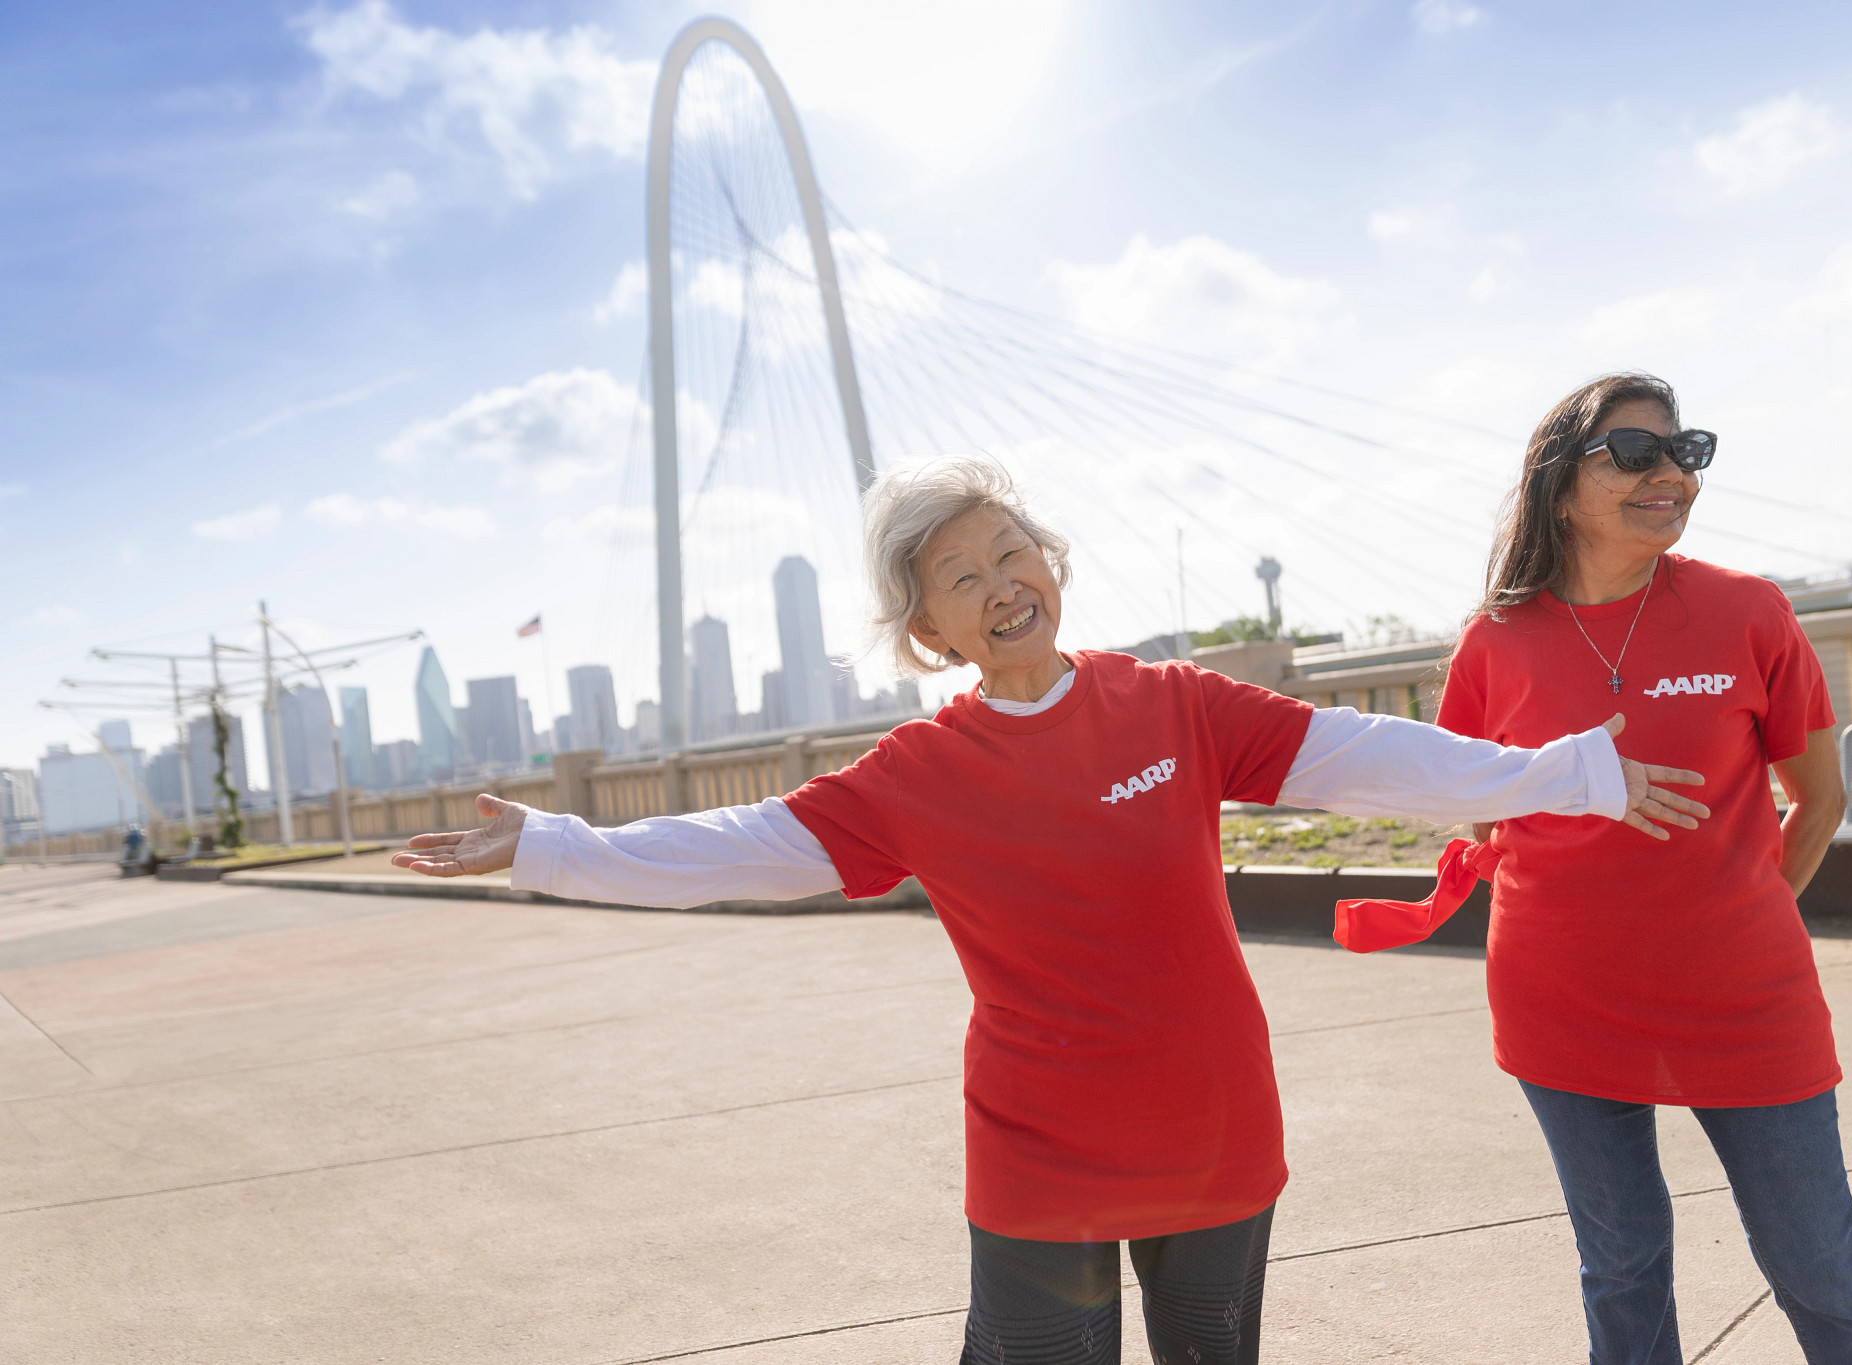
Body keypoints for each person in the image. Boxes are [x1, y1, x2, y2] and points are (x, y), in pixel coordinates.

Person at [395, 456, 1706, 1365]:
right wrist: (549, 845)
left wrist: (1565, 772)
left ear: (1051, 560)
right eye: (960, 576)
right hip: (1040, 1152)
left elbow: (1372, 754)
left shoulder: (1177, 708)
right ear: (928, 632)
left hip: (1211, 1129)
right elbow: (736, 845)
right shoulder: (916, 777)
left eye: (1010, 548)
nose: (1000, 580)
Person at [1433, 373, 1852, 1364]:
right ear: (1559, 484)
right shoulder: (1493, 640)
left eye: (1683, 450)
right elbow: (1463, 800)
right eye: (1634, 452)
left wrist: (1743, 915)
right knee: (1621, 1275)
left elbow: (1816, 796)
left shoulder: (1746, 611)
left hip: (1745, 998)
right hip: (1558, 1001)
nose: (1669, 474)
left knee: (1819, 1270)